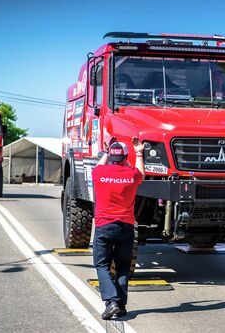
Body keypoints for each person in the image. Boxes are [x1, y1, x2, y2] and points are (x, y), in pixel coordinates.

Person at [92, 137, 145, 320]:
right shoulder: (132, 175)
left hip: (104, 226)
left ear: (110, 157)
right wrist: (138, 152)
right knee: (122, 266)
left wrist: (107, 152)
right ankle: (121, 306)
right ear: (125, 157)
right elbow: (140, 172)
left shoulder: (99, 173)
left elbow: (99, 164)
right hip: (125, 227)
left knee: (102, 265)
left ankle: (112, 301)